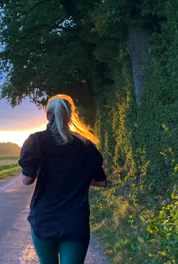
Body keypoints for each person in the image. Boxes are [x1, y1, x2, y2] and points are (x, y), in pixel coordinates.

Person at [18, 94, 108, 264]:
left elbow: (27, 180)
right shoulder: (86, 145)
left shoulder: (35, 141)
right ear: (70, 116)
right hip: (75, 221)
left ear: (47, 115)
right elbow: (101, 182)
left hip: (44, 220)